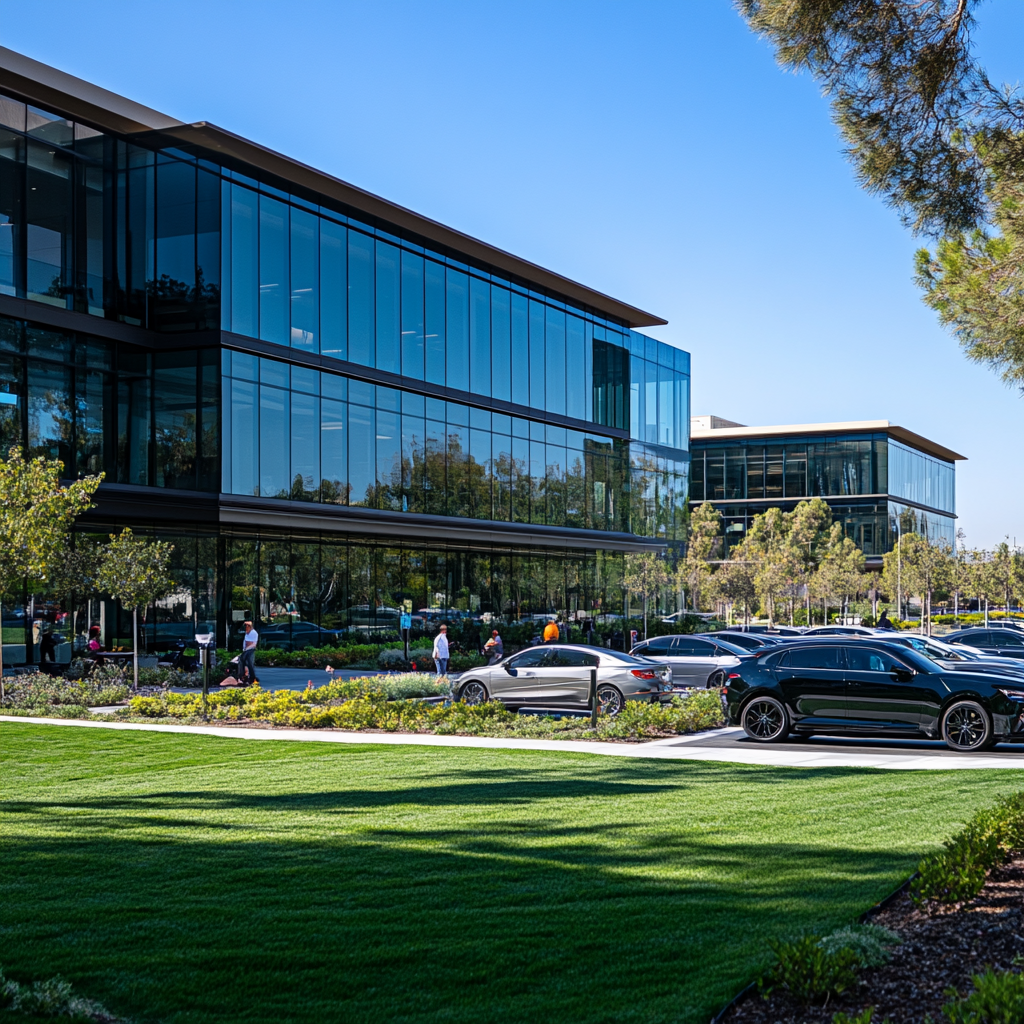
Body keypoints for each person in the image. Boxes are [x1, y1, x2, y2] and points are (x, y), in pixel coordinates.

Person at [239, 620, 259, 685]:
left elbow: (253, 644)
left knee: (249, 663)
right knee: (243, 662)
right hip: (246, 650)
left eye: (248, 626)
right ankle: (244, 676)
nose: (246, 627)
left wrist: (246, 649)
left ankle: (252, 678)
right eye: (245, 626)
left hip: (250, 650)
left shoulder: (253, 633)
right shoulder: (247, 633)